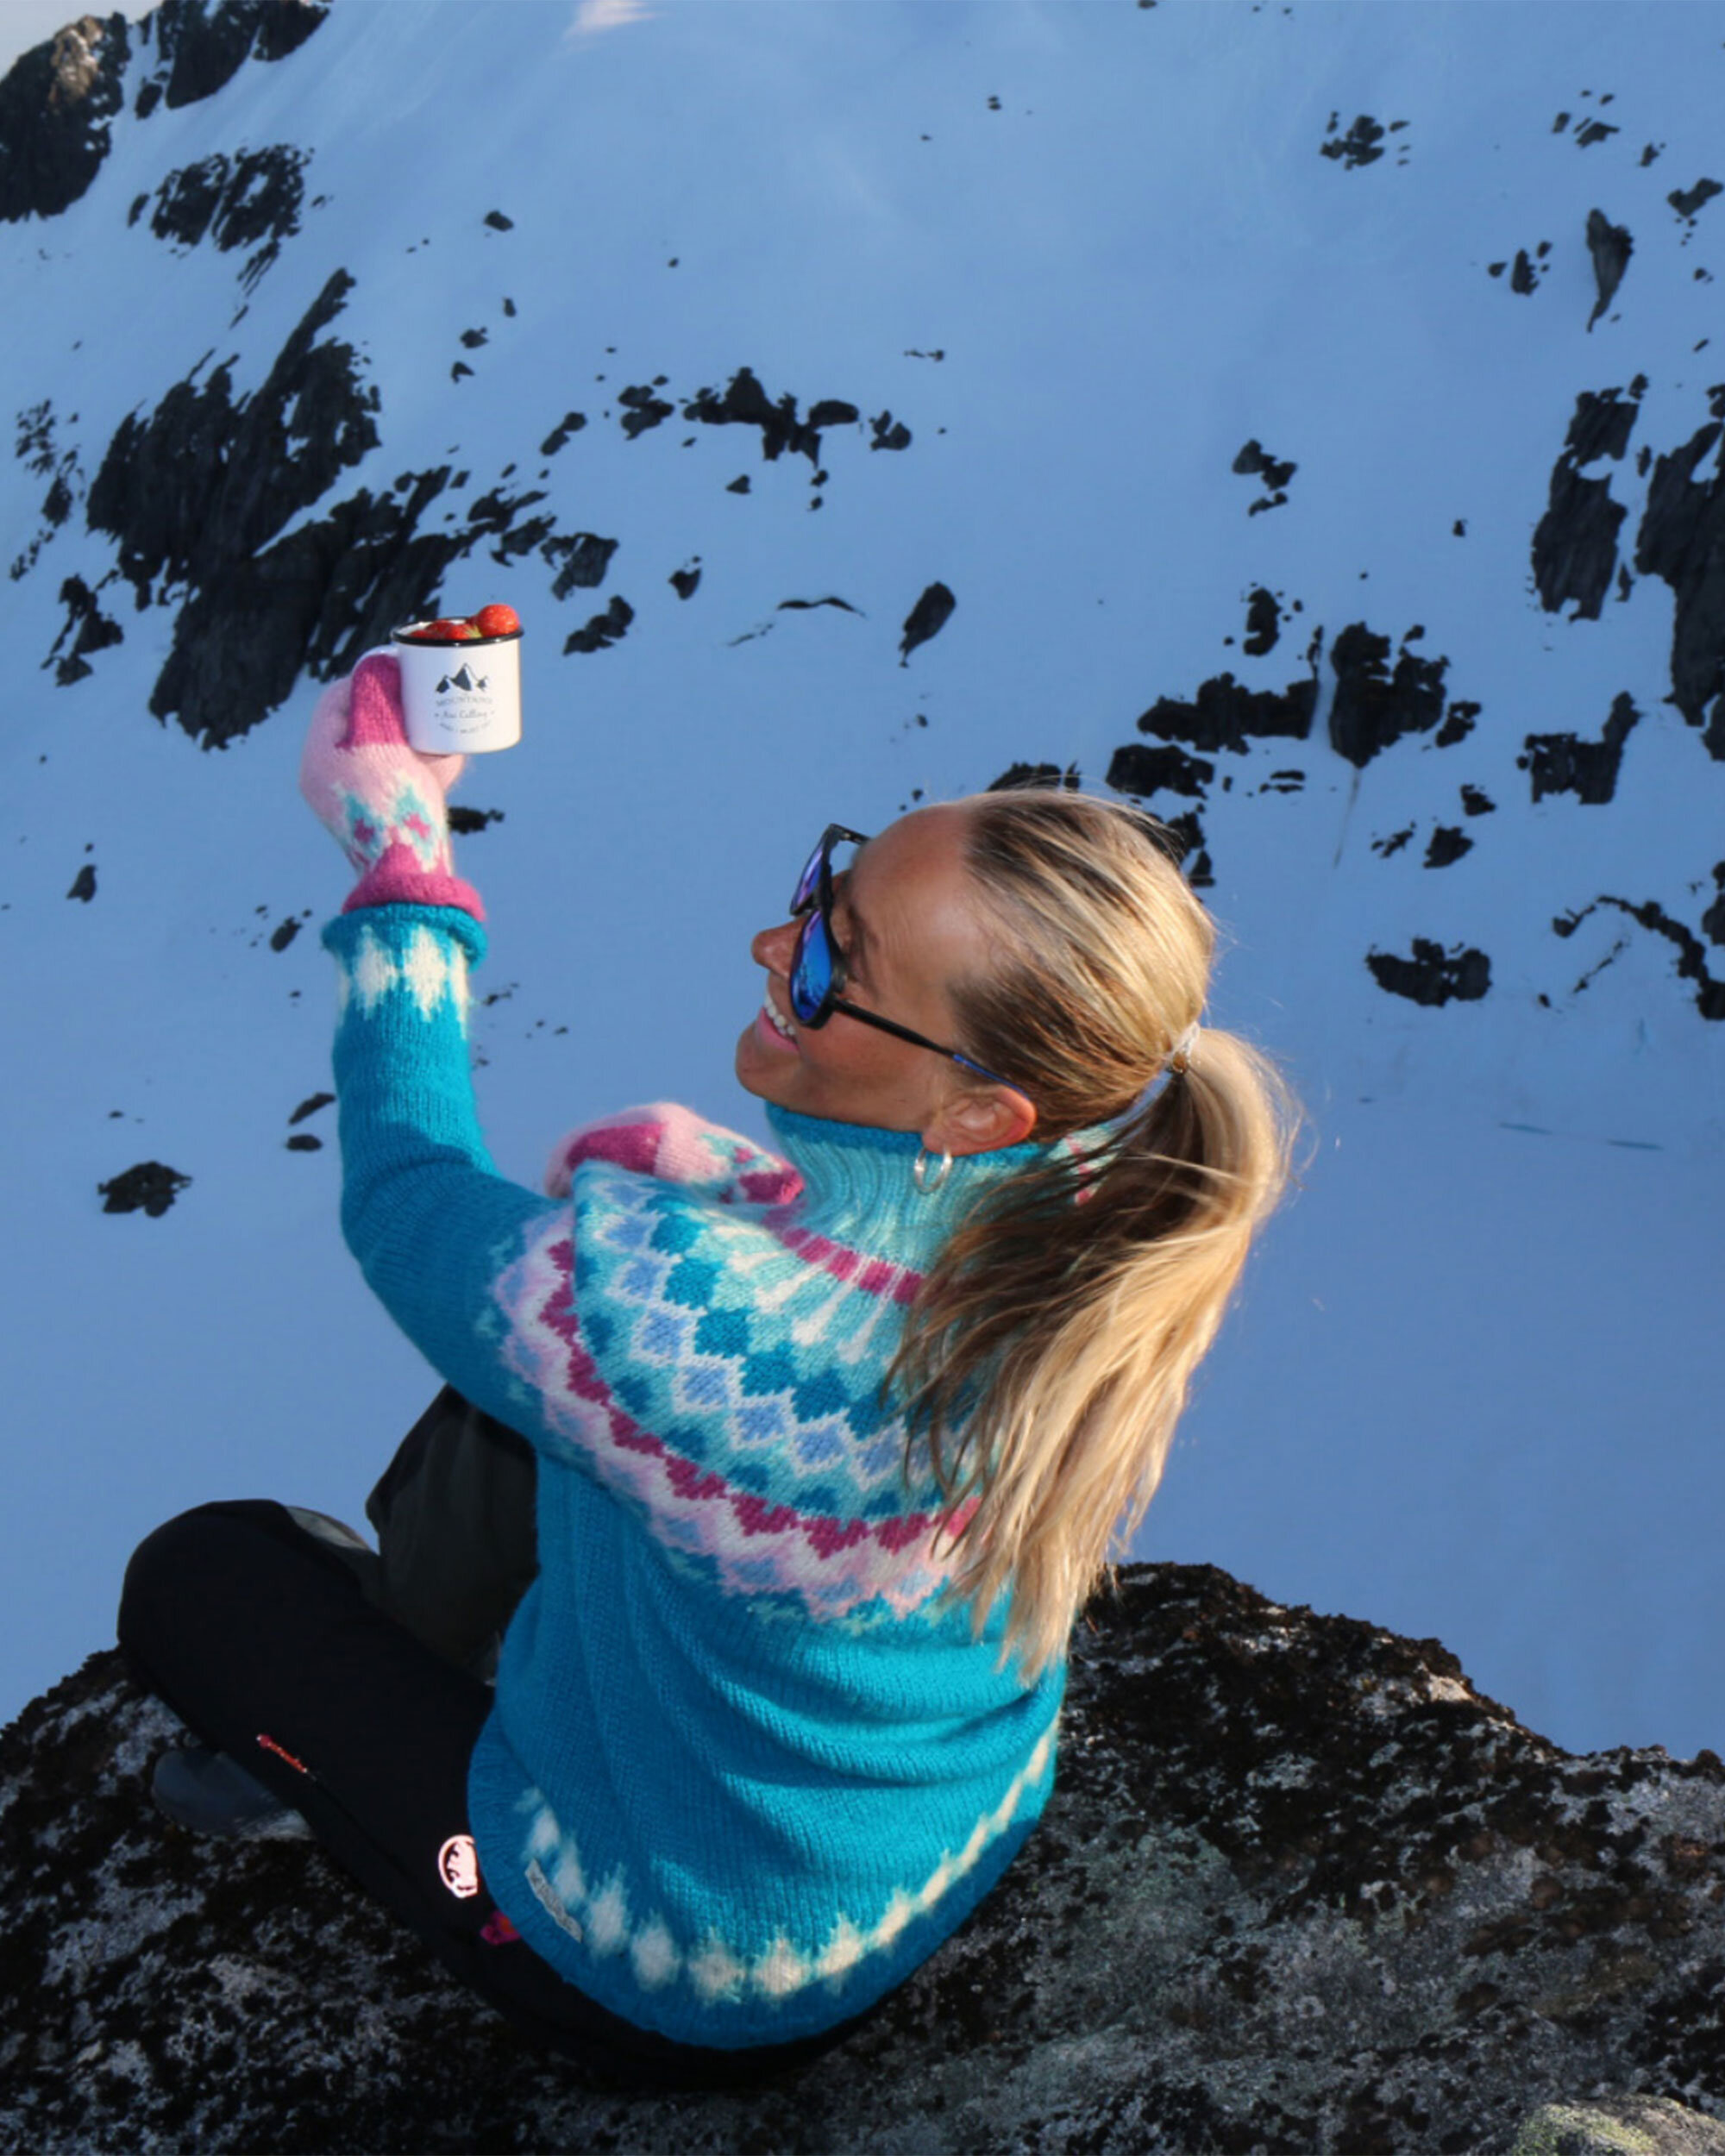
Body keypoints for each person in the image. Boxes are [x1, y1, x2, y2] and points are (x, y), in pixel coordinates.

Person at [117, 651, 1295, 2085]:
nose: (771, 943)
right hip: (916, 1860)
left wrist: (400, 861)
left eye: (837, 961)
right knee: (538, 1399)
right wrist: (729, 1192)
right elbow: (837, 1312)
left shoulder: (695, 1322)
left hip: (649, 1961)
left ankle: (360, 1776)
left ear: (979, 1109)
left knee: (204, 1576)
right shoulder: (1097, 1201)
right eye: (823, 890)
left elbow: (408, 1198)